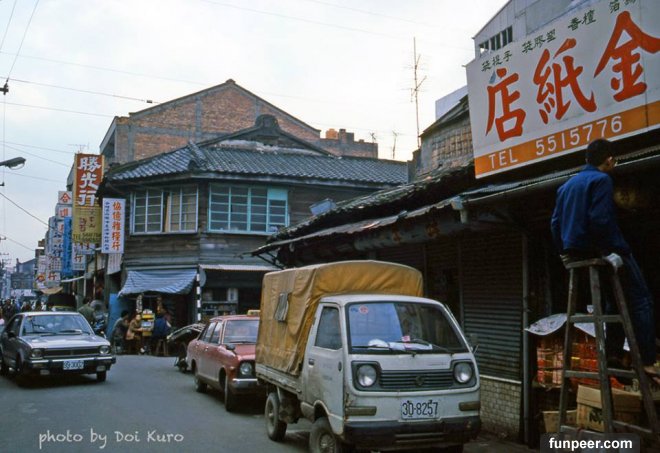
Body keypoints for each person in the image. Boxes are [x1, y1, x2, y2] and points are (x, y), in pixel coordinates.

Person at [551, 138, 658, 384]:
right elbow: (601, 220)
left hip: (575, 254)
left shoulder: (565, 186)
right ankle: (647, 360)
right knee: (642, 300)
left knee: (614, 302)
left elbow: (555, 224)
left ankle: (613, 354)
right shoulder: (602, 180)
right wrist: (613, 250)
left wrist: (563, 252)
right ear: (609, 160)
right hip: (597, 250)